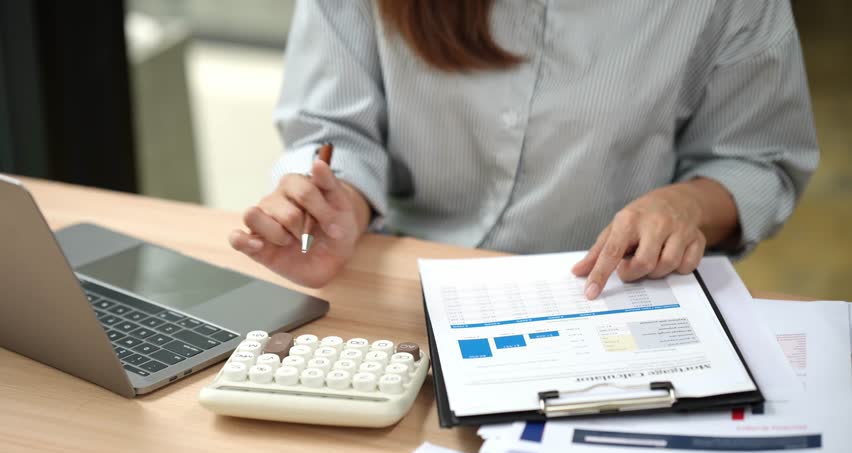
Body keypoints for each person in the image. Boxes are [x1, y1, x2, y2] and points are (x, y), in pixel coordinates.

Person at [229, 0, 818, 299]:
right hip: (401, 287)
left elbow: (758, 157)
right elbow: (336, 130)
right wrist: (338, 211)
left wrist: (686, 207)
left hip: (606, 298)